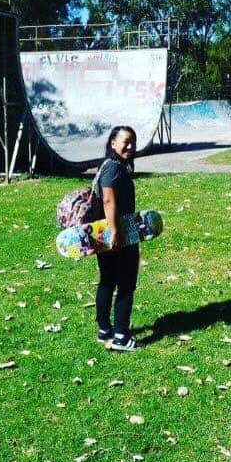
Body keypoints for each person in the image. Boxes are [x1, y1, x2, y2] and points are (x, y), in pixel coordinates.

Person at [94, 125, 140, 351]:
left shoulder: (110, 165)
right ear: (113, 143)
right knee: (126, 283)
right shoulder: (113, 168)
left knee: (107, 280)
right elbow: (108, 200)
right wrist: (116, 231)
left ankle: (104, 330)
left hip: (104, 234)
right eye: (125, 142)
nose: (130, 146)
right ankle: (121, 336)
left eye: (133, 142)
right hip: (118, 234)